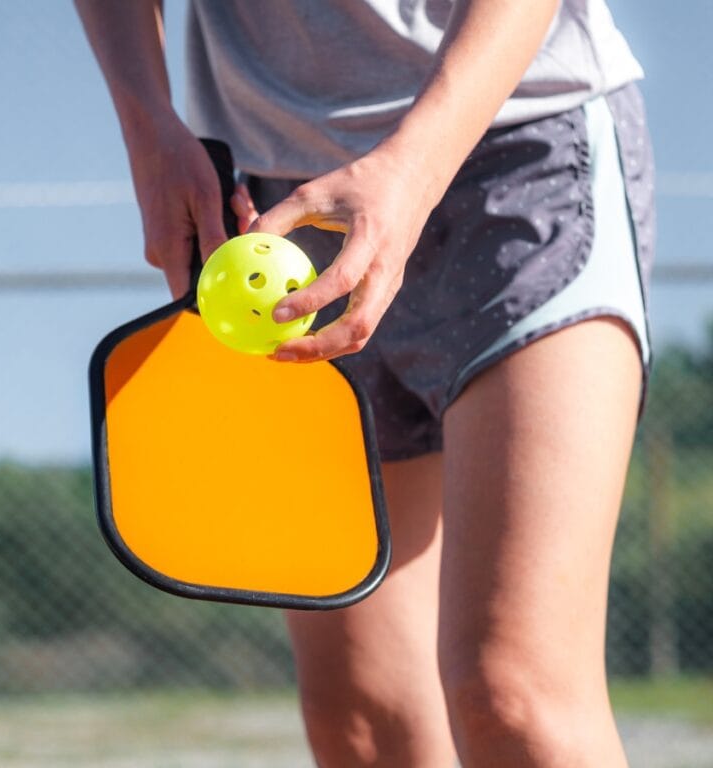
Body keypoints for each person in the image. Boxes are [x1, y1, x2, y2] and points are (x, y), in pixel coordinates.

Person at [74, 1, 654, 765]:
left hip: (520, 150)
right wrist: (146, 120)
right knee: (366, 720)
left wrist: (412, 169)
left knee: (515, 697)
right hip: (286, 206)